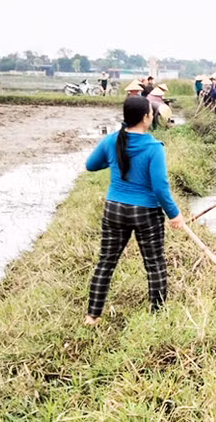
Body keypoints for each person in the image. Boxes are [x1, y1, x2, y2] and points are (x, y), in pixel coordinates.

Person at [83, 96, 184, 326]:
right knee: (154, 264)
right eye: (151, 113)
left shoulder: (111, 141)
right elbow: (160, 187)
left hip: (114, 209)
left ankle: (92, 317)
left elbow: (90, 165)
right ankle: (157, 316)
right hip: (146, 213)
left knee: (105, 262)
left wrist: (112, 160)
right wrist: (174, 214)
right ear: (146, 118)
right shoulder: (153, 148)